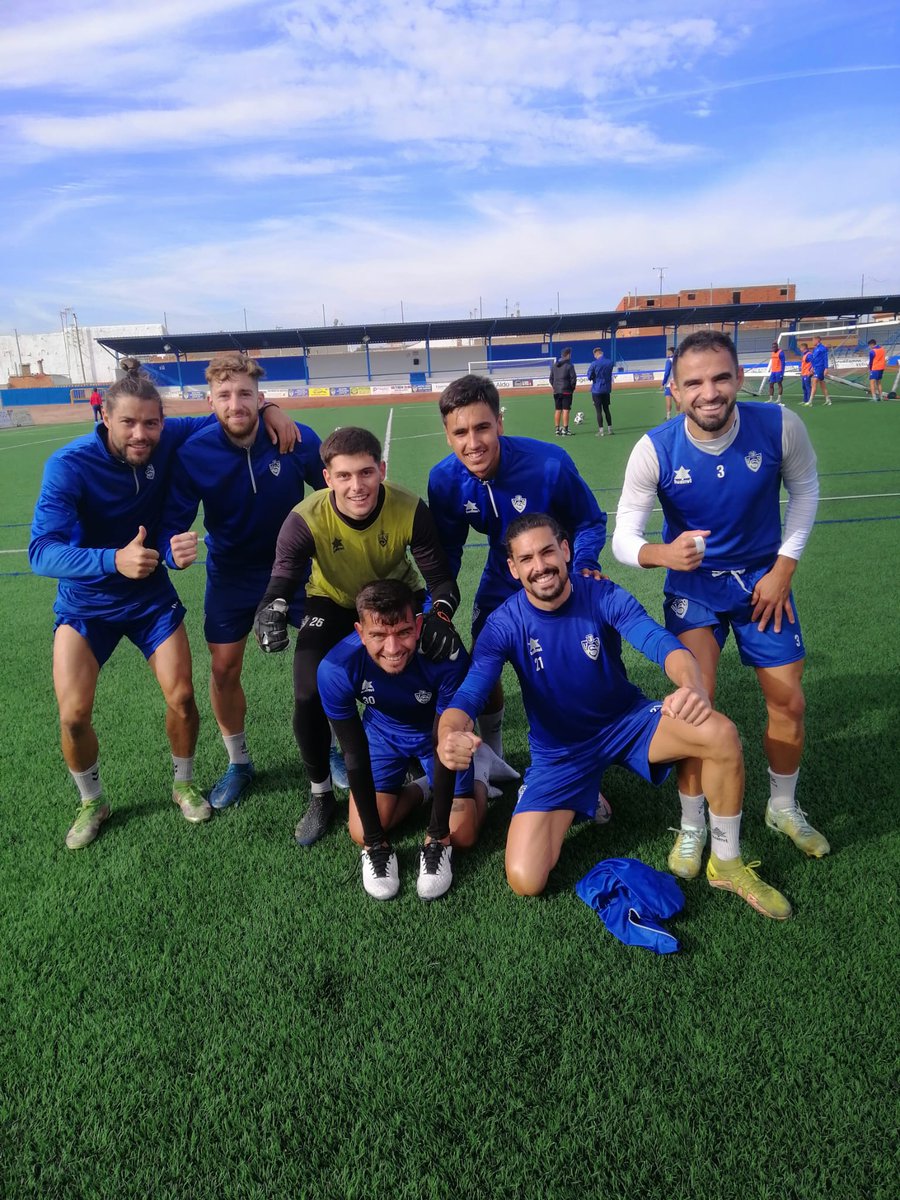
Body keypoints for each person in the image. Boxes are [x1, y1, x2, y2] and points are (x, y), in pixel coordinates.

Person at [437, 514, 791, 919]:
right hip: (561, 754)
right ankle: (584, 793)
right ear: (513, 569)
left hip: (627, 724)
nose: (541, 566)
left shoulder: (602, 595)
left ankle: (726, 861)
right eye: (527, 558)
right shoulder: (503, 623)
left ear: (566, 550)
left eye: (548, 551)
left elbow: (659, 641)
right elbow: (471, 691)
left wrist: (691, 684)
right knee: (525, 878)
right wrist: (449, 731)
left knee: (720, 733)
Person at [28, 358, 298, 849]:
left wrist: (274, 407)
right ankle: (92, 800)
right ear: (104, 418)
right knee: (72, 714)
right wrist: (114, 560)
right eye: (128, 422)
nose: (141, 434)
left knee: (181, 697)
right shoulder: (69, 466)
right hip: (86, 604)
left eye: (151, 423)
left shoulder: (168, 437)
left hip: (150, 598)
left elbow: (232, 412)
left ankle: (183, 782)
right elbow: (40, 552)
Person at [612, 329, 828, 882]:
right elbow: (623, 539)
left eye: (721, 377)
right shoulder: (654, 449)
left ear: (738, 377)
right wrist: (663, 553)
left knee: (789, 704)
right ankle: (692, 826)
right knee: (694, 707)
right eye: (695, 382)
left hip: (764, 583)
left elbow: (805, 490)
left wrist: (784, 568)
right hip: (695, 589)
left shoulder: (779, 425)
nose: (710, 392)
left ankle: (782, 807)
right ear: (676, 390)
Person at [254, 426, 463, 847]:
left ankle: (428, 755)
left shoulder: (408, 507)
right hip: (334, 604)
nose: (357, 486)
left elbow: (441, 579)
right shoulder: (304, 519)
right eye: (344, 476)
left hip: (396, 601)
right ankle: (320, 795)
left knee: (447, 661)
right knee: (307, 692)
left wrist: (439, 614)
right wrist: (269, 612)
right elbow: (280, 584)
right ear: (327, 477)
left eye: (366, 473)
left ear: (381, 470)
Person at [160, 353, 325, 809]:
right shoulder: (194, 453)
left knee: (327, 658)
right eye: (225, 395)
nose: (236, 404)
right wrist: (174, 551)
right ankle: (239, 763)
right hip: (231, 575)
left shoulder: (294, 438)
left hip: (294, 570)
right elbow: (173, 522)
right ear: (210, 400)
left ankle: (329, 747)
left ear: (261, 397)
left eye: (246, 394)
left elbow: (331, 487)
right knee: (223, 669)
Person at [427, 372, 608, 768]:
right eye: (460, 433)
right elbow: (448, 552)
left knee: (564, 669)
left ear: (500, 424)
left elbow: (590, 522)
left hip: (555, 575)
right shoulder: (444, 481)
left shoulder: (549, 464)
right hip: (501, 574)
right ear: (447, 435)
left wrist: (583, 565)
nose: (472, 443)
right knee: (482, 665)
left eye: (482, 428)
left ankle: (582, 761)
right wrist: (435, 604)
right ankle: (493, 754)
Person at [318, 579, 489, 900]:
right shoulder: (336, 668)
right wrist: (373, 841)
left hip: (436, 735)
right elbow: (353, 754)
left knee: (462, 836)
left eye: (403, 632)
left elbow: (445, 735)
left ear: (419, 623)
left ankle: (479, 774)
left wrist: (438, 837)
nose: (393, 648)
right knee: (360, 829)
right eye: (378, 635)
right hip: (383, 735)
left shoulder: (446, 655)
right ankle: (421, 790)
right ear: (359, 631)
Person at [549, 347, 577, 436]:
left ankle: (557, 429)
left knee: (557, 410)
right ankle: (565, 429)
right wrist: (572, 388)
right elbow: (573, 379)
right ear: (568, 355)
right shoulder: (569, 366)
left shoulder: (554, 366)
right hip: (566, 391)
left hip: (556, 391)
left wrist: (555, 387)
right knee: (566, 410)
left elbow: (551, 379)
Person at [587, 347, 614, 436]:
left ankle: (601, 431)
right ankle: (610, 429)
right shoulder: (610, 362)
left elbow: (589, 376)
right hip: (606, 389)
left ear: (596, 354)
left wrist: (593, 376)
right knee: (607, 409)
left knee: (598, 411)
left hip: (597, 389)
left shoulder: (594, 364)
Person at [807, 336, 832, 406]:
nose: (812, 342)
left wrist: (826, 368)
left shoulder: (822, 348)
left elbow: (825, 358)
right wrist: (812, 367)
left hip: (821, 368)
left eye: (813, 340)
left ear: (817, 340)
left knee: (814, 381)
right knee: (822, 385)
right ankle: (828, 400)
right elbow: (814, 359)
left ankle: (810, 401)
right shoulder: (815, 349)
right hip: (816, 368)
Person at [661, 347, 675, 420]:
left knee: (668, 399)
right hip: (677, 383)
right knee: (678, 400)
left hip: (669, 384)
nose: (666, 353)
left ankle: (668, 415)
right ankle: (678, 415)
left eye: (667, 352)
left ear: (670, 352)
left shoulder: (669, 361)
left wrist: (663, 383)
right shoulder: (678, 360)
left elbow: (666, 373)